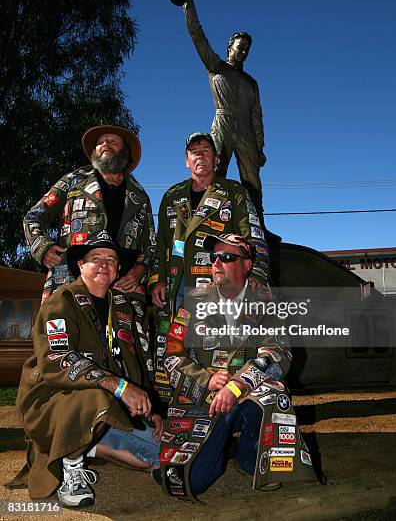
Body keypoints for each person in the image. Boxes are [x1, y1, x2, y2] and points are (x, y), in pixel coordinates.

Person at [154, 234, 316, 500]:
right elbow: (171, 355)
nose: (217, 262)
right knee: (191, 483)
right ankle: (216, 447)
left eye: (227, 257)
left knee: (274, 392)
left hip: (246, 392)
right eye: (214, 257)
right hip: (205, 397)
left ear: (246, 265)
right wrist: (205, 379)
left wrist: (239, 383)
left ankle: (251, 459)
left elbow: (279, 352)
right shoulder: (194, 299)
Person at [15, 234, 163, 508]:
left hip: (104, 403)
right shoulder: (61, 301)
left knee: (159, 454)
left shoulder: (122, 306)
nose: (104, 264)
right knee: (99, 398)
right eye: (95, 259)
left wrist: (150, 406)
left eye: (111, 260)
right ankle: (72, 467)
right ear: (80, 265)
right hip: (50, 400)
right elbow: (58, 358)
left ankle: (85, 445)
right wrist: (119, 387)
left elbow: (133, 361)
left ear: (118, 270)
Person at [150, 132, 269, 402]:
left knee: (215, 350)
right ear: (186, 160)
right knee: (174, 348)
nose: (200, 155)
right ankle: (175, 409)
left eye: (206, 150)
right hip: (177, 288)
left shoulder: (233, 193)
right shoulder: (172, 196)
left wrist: (258, 273)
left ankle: (220, 405)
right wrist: (157, 280)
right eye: (194, 151)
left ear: (216, 159)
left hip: (216, 288)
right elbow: (161, 245)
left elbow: (253, 235)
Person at [23, 124, 156, 302]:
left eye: (113, 142)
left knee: (125, 330)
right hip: (70, 281)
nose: (106, 144)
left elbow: (151, 245)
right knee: (62, 327)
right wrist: (42, 247)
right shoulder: (73, 181)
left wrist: (140, 270)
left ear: (125, 152)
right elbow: (33, 217)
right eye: (100, 142)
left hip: (123, 289)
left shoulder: (140, 196)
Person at [183, 0, 266, 221]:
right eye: (240, 48)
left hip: (246, 129)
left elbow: (257, 116)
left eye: (247, 49)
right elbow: (197, 36)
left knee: (252, 180)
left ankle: (257, 223)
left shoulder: (251, 82)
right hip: (223, 123)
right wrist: (187, 4)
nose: (243, 52)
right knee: (214, 170)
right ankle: (205, 218)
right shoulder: (216, 66)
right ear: (230, 47)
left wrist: (259, 147)